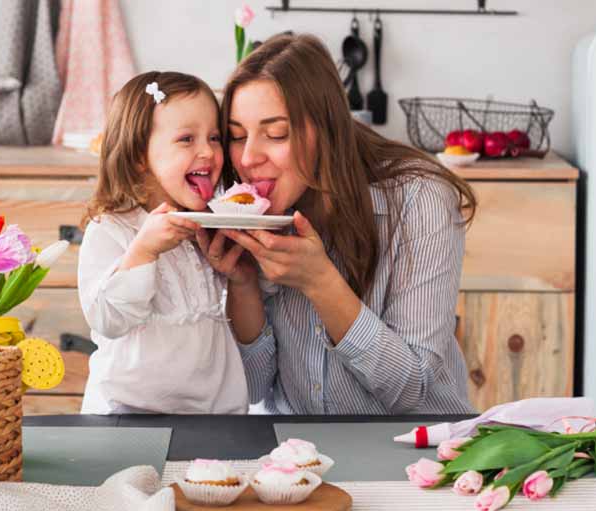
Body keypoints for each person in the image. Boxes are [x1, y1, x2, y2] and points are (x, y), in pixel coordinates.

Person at [197, 34, 478, 414]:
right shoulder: (249, 208)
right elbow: (252, 389)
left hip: (412, 449)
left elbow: (411, 389)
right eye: (236, 136)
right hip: (298, 456)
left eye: (276, 133)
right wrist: (243, 285)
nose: (247, 158)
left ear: (326, 130)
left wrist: (320, 281)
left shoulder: (419, 199)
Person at [77, 71, 248, 414]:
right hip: (128, 413)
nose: (208, 152)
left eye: (214, 138)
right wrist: (144, 251)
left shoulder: (205, 226)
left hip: (213, 414)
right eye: (187, 139)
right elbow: (107, 319)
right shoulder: (111, 228)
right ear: (140, 155)